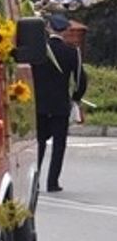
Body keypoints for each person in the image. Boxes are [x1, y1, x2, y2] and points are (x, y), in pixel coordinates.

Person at [32, 14, 88, 193]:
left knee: (39, 142)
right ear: (65, 30)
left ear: (48, 27)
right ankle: (52, 183)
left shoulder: (38, 50)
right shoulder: (72, 51)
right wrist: (75, 98)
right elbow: (80, 80)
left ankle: (35, 180)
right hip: (60, 106)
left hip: (39, 104)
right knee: (59, 144)